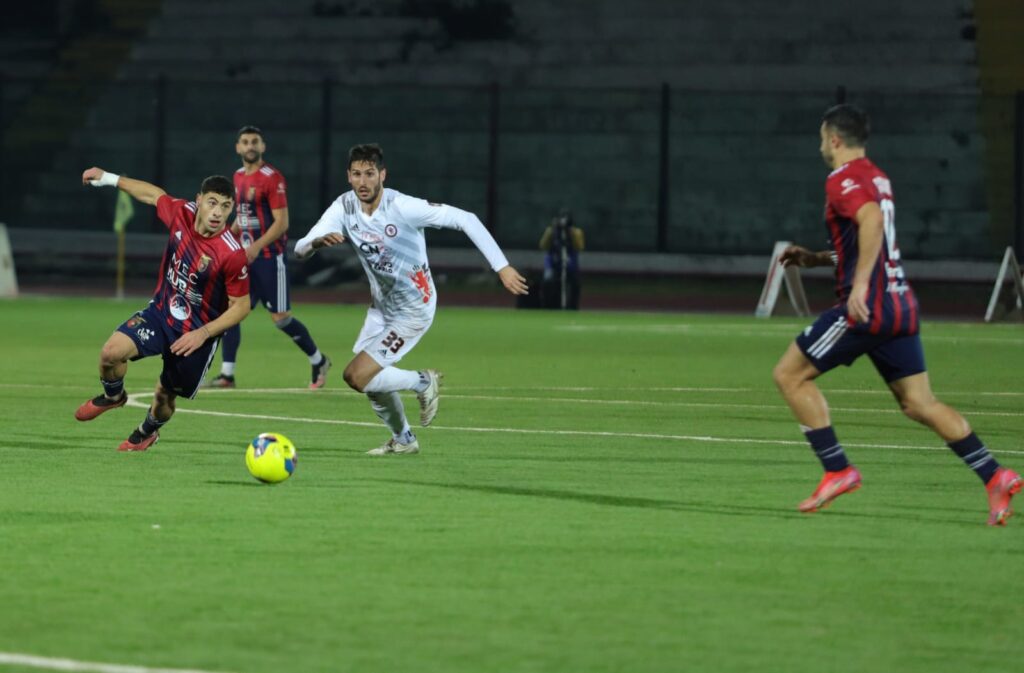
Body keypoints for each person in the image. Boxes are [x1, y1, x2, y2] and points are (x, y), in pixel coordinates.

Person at [772, 104, 1021, 525]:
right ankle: (995, 475)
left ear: (834, 139)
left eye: (821, 138)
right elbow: (870, 241)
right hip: (901, 304)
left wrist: (862, 285)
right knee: (919, 403)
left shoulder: (841, 180)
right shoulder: (877, 176)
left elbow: (869, 224)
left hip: (869, 308)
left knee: (789, 375)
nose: (820, 146)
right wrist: (817, 258)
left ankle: (837, 469)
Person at [294, 143, 528, 455]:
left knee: (356, 375)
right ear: (348, 176)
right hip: (381, 308)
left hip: (413, 309)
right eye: (356, 174)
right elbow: (299, 249)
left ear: (383, 175)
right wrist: (316, 243)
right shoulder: (344, 207)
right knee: (371, 380)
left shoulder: (403, 207)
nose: (363, 181)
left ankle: (422, 382)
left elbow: (466, 219)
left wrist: (501, 266)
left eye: (370, 174)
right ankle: (404, 440)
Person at [74, 168, 251, 451]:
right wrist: (108, 178)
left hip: (196, 335)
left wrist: (202, 334)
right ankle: (113, 396)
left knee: (164, 396)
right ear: (199, 200)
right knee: (110, 353)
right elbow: (153, 195)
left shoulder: (231, 253)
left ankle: (146, 432)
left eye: (226, 206)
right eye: (212, 202)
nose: (218, 212)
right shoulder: (182, 213)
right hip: (161, 314)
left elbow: (241, 307)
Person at [206, 125, 331, 390]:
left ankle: (318, 360)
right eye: (245, 142)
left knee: (281, 319)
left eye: (255, 142)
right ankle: (227, 375)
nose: (250, 146)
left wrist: (255, 247)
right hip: (246, 261)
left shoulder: (272, 178)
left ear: (262, 147)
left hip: (269, 260)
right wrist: (224, 241)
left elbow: (282, 223)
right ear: (238, 148)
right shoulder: (238, 177)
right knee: (231, 312)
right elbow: (241, 218)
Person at [539, 208, 584, 309]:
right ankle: (547, 305)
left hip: (570, 263)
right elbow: (543, 246)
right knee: (548, 280)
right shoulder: (551, 231)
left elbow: (580, 247)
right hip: (553, 263)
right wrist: (551, 232)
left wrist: (571, 233)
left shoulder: (576, 232)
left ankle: (573, 306)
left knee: (575, 282)